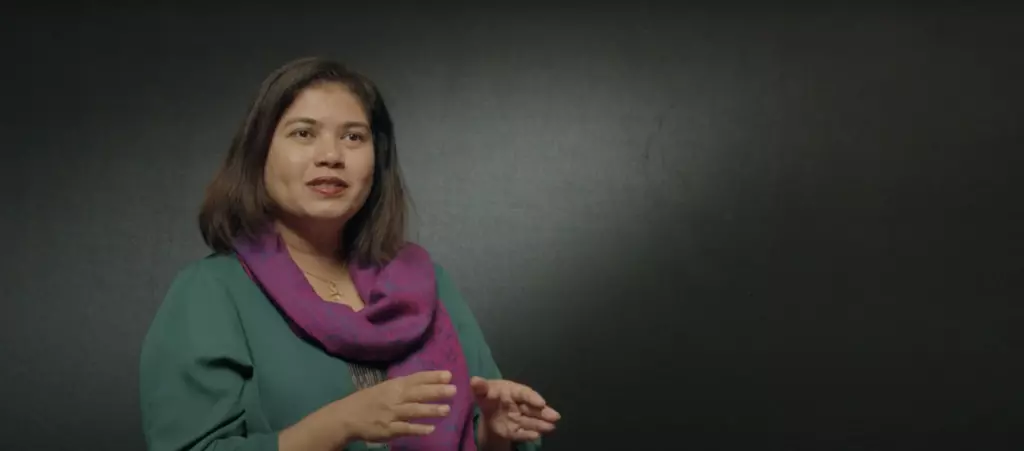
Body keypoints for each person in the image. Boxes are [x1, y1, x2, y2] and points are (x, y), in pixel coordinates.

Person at [139, 56, 560, 451]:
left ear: (376, 162)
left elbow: (471, 436)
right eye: (303, 133)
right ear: (259, 154)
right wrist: (339, 424)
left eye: (353, 137)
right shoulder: (211, 294)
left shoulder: (425, 283)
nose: (331, 156)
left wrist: (493, 431)